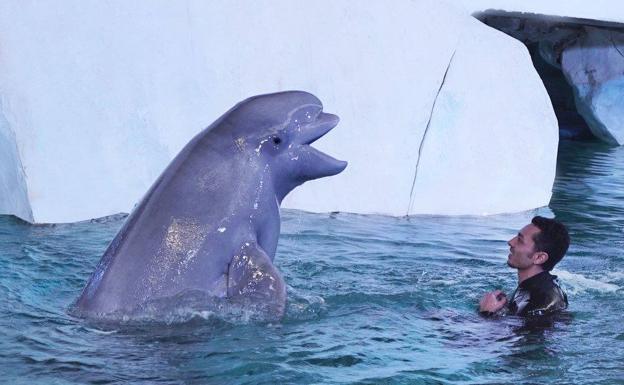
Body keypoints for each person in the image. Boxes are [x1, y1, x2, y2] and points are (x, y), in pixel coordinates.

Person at [479, 216, 570, 317]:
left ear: (539, 257)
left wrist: (487, 312)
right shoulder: (536, 286)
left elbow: (510, 332)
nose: (510, 242)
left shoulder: (542, 303)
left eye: (520, 240)